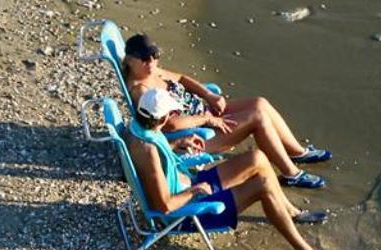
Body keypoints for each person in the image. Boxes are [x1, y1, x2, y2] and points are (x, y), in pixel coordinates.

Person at [126, 87, 346, 250]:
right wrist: (196, 191)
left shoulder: (138, 130)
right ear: (163, 118)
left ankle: (289, 212)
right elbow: (164, 205)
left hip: (189, 185)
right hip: (187, 212)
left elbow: (156, 159)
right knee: (263, 185)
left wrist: (177, 144)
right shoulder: (149, 152)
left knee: (257, 158)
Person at [120, 33, 331, 189]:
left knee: (260, 103)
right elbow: (170, 125)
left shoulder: (153, 71)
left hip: (205, 111)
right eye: (145, 59)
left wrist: (208, 96)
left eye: (155, 56)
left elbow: (182, 79)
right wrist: (207, 119)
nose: (152, 62)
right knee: (257, 118)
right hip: (195, 135)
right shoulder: (141, 90)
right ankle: (290, 174)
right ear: (130, 59)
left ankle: (297, 153)